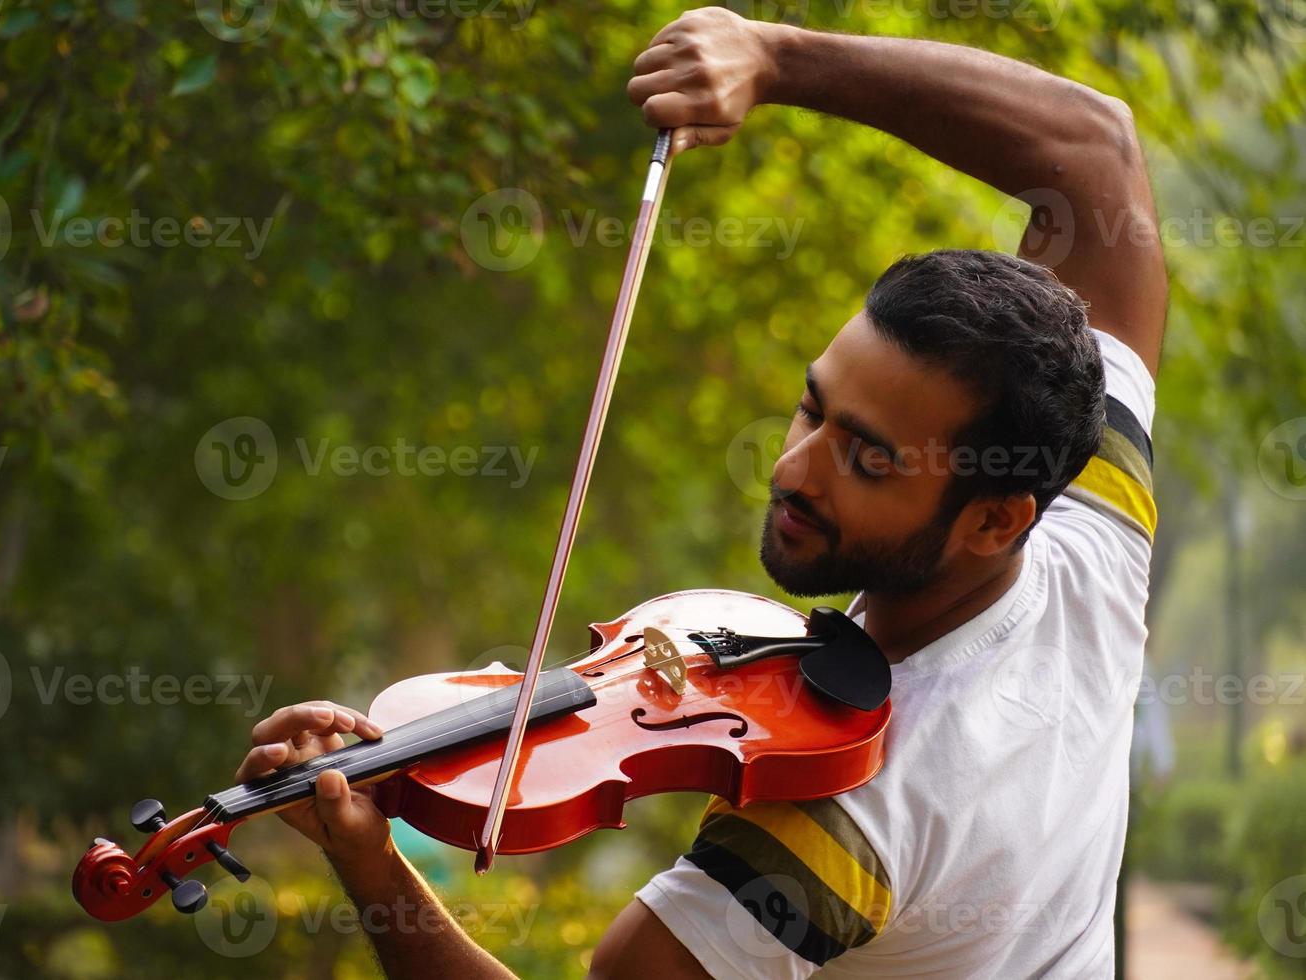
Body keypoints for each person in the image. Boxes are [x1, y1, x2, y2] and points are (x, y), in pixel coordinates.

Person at [234, 8, 1166, 977]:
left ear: (995, 516)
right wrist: (774, 56)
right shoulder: (1091, 537)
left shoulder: (846, 816)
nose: (794, 468)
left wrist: (372, 863)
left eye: (870, 458)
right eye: (813, 409)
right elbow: (1095, 151)